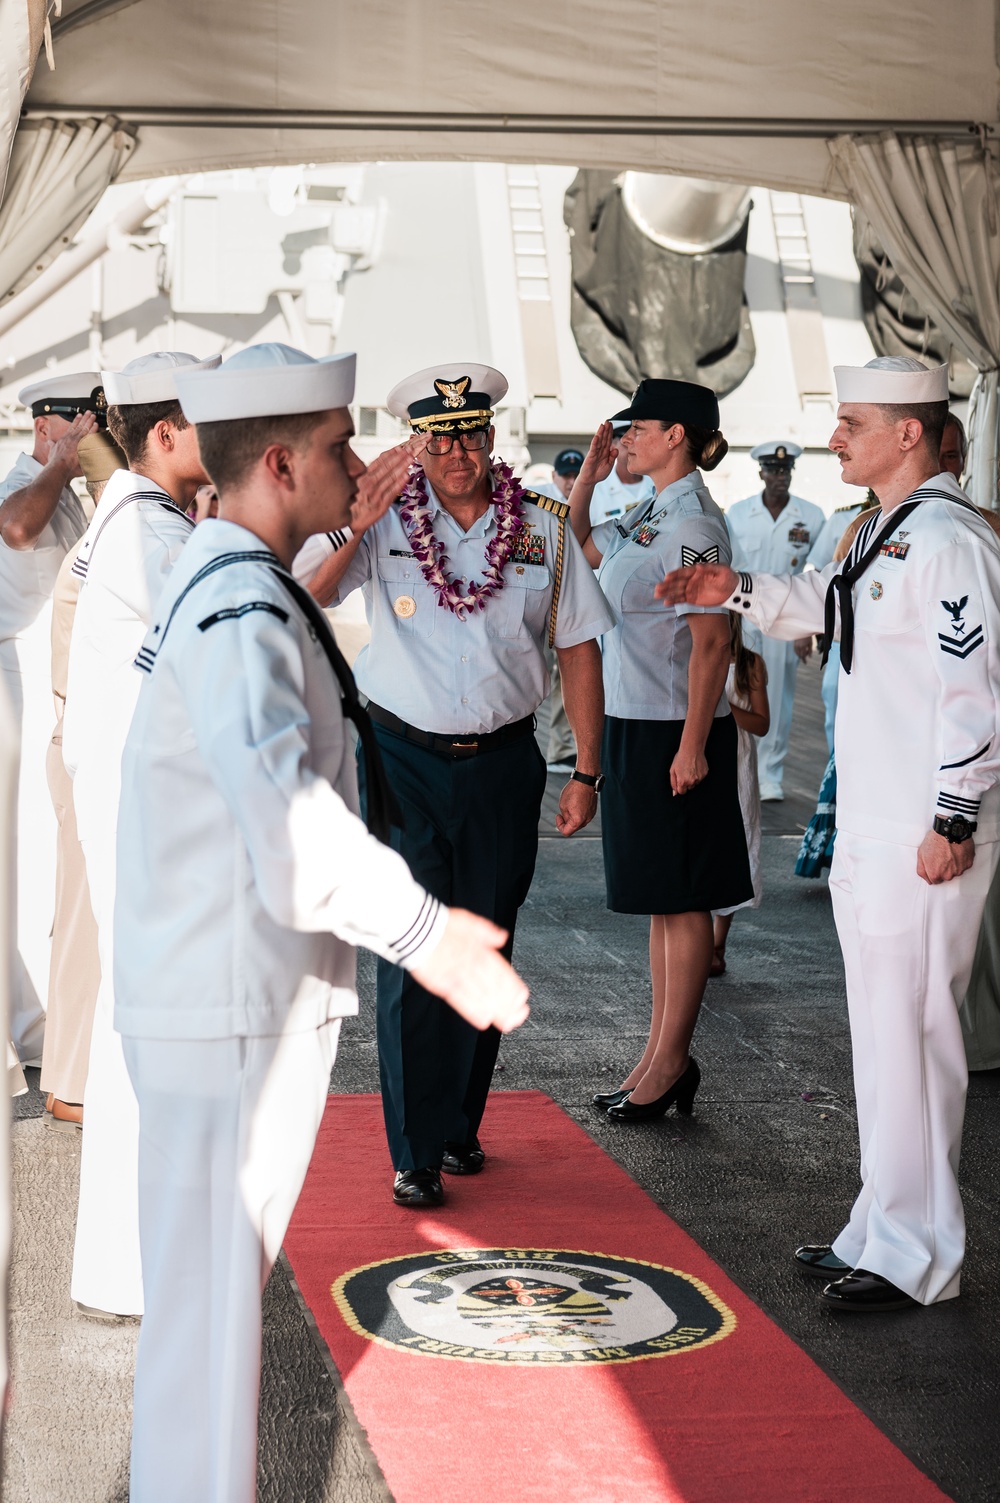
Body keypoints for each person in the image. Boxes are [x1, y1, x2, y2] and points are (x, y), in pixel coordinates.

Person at [114, 342, 530, 1502]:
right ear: (285, 462)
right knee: (206, 1327)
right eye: (346, 445)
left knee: (205, 1318)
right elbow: (287, 821)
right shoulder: (241, 604)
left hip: (225, 992)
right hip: (229, 1001)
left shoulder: (232, 579)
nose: (368, 465)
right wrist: (430, 935)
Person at [656, 355, 1000, 1313]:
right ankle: (882, 1224)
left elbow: (981, 694)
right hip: (878, 828)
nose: (835, 436)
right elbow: (824, 603)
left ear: (909, 433)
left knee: (920, 1038)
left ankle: (923, 1253)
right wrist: (733, 586)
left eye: (853, 421)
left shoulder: (949, 541)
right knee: (882, 1039)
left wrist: (956, 817)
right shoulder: (876, 530)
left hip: (923, 833)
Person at [305, 363, 613, 1206]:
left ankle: (457, 1120)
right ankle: (413, 1150)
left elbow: (580, 647)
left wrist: (587, 769)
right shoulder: (382, 522)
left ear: (490, 439)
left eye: (472, 435)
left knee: (487, 937)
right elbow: (306, 593)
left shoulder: (542, 531)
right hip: (401, 760)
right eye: (441, 439)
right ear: (419, 444)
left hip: (505, 763)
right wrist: (357, 515)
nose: (459, 453)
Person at [63, 350, 220, 1318]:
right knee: (148, 1037)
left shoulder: (137, 512)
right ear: (166, 434)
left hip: (134, 799)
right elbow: (221, 626)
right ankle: (133, 1271)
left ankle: (139, 1263)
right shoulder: (148, 528)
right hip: (142, 809)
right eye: (210, 423)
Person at [568, 380, 753, 1122]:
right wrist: (587, 476)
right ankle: (656, 1054)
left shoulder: (698, 524)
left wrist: (693, 746)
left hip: (677, 730)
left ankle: (671, 1063)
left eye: (636, 428)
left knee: (682, 901)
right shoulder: (650, 511)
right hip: (633, 723)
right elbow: (580, 544)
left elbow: (713, 641)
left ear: (677, 434)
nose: (625, 440)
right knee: (659, 902)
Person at [0, 374, 96, 1066]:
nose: (90, 435)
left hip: (54, 684)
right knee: (23, 858)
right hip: (19, 686)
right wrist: (65, 463)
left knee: (49, 856)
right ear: (46, 425)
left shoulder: (71, 495)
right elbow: (17, 526)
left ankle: (42, 1023)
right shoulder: (23, 484)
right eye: (80, 423)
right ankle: (25, 1029)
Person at [40, 427, 126, 1128]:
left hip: (85, 742)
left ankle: (78, 1073)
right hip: (89, 746)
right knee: (81, 922)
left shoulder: (97, 546)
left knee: (87, 919)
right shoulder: (102, 553)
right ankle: (69, 1080)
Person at [725, 441, 826, 800]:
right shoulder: (738, 513)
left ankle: (771, 775)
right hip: (744, 618)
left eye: (784, 471)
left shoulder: (811, 516)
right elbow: (729, 568)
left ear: (791, 474)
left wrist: (808, 629)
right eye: (772, 470)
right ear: (761, 473)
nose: (779, 477)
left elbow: (817, 573)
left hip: (787, 618)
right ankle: (739, 762)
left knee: (779, 697)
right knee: (737, 689)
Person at [710, 615, 769, 976]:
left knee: (738, 838)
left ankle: (718, 943)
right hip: (704, 756)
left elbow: (762, 723)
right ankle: (700, 938)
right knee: (705, 842)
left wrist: (725, 709)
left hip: (737, 761)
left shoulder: (749, 663)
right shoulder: (693, 655)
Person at [807, 490, 873, 753]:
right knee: (834, 695)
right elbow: (823, 572)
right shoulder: (849, 521)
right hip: (843, 630)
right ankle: (836, 771)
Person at [582, 431, 656, 525]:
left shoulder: (657, 483)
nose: (633, 446)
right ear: (612, 445)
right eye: (626, 441)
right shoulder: (596, 490)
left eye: (638, 439)